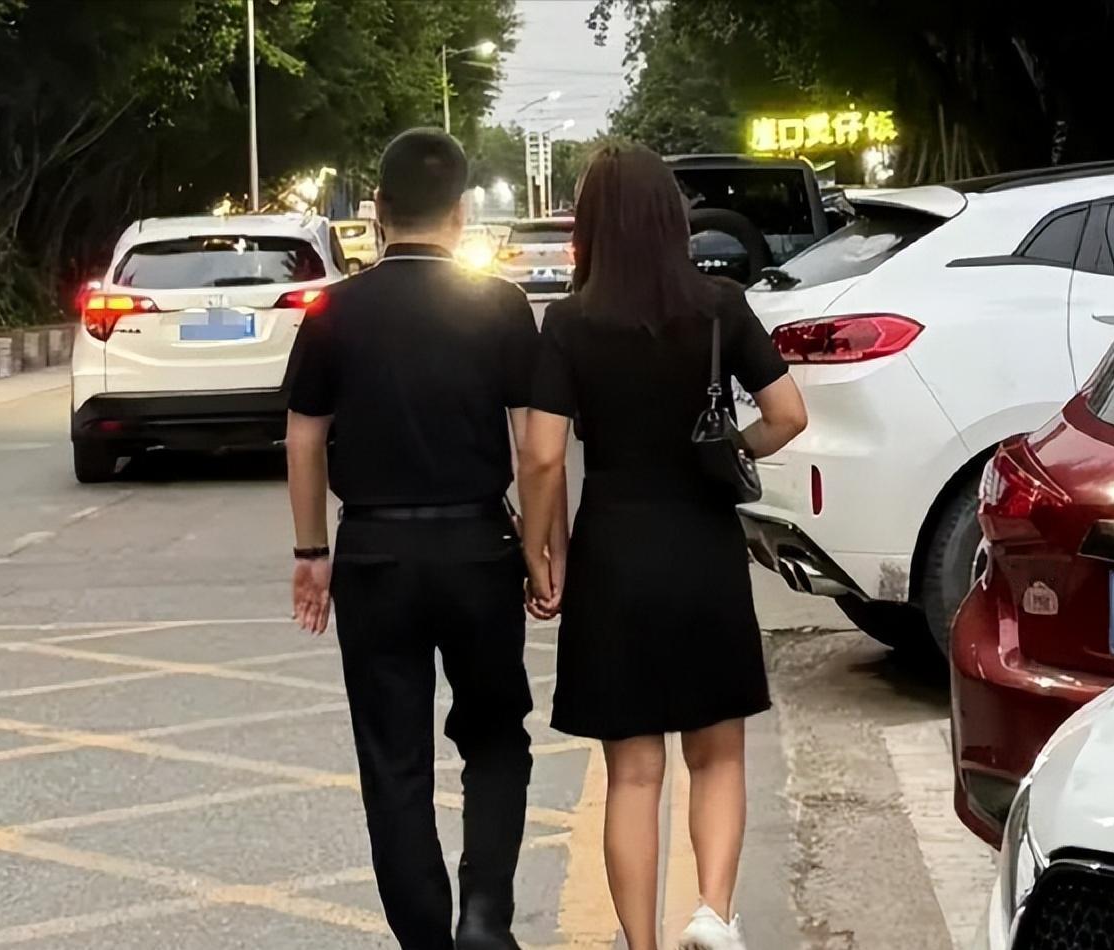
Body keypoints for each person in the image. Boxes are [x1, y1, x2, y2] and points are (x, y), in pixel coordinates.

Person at [517, 144, 808, 950]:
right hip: (704, 547)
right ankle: (713, 913)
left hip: (614, 552)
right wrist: (731, 449)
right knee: (717, 754)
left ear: (590, 225)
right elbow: (789, 414)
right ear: (671, 219)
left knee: (634, 774)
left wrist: (543, 551)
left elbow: (541, 456)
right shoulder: (720, 306)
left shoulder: (569, 322)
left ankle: (642, 945)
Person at [285, 128, 561, 950]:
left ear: (378, 211)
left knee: (392, 760)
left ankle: (426, 941)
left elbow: (303, 438)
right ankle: (485, 916)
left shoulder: (334, 310)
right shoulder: (500, 306)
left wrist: (311, 555)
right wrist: (540, 549)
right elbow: (537, 450)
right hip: (478, 549)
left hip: (373, 556)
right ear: (462, 212)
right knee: (496, 736)